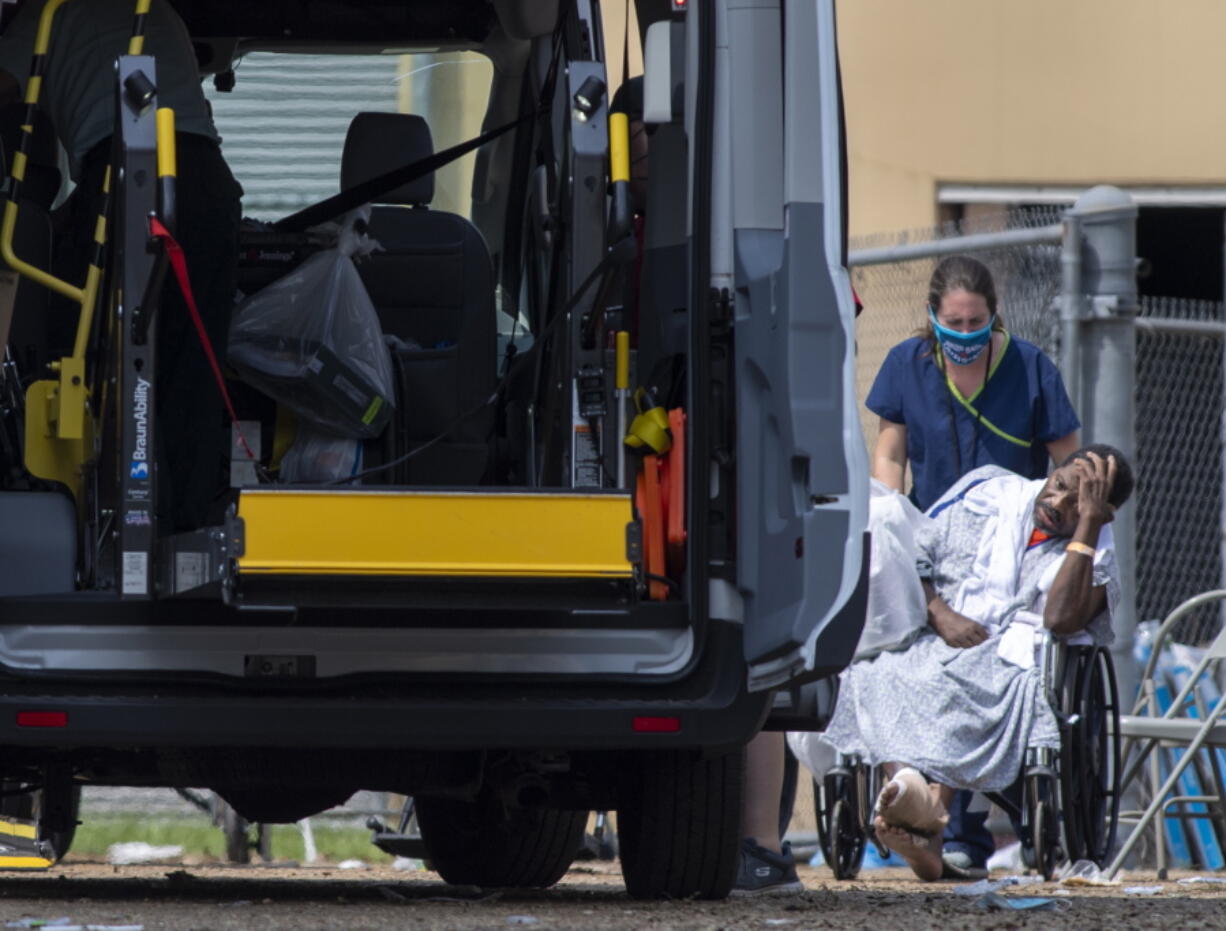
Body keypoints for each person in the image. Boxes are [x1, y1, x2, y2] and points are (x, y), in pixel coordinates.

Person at [819, 445, 1133, 881]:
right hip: (939, 630)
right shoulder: (990, 496)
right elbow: (916, 552)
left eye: (1076, 504)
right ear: (1051, 472)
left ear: (1102, 512)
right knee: (872, 673)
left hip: (1012, 656)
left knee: (963, 681)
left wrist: (1088, 525)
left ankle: (919, 808)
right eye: (1058, 486)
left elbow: (1060, 620)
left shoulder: (1096, 554)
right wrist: (941, 613)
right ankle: (915, 800)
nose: (1056, 505)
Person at [866, 254, 1080, 875]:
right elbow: (891, 455)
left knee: (989, 652)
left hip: (1008, 540)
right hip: (931, 536)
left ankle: (946, 817)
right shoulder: (908, 364)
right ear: (932, 317)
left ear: (994, 318)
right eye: (952, 322)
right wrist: (894, 526)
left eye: (976, 322)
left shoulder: (1032, 367)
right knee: (899, 654)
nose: (964, 333)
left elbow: (1066, 461)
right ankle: (930, 809)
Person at [0, 0, 242, 533]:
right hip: (199, 178)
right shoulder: (159, 11)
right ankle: (189, 526)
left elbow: (6, 86)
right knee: (194, 367)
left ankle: (80, 518)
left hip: (123, 174)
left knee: (79, 358)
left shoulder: (41, 15)